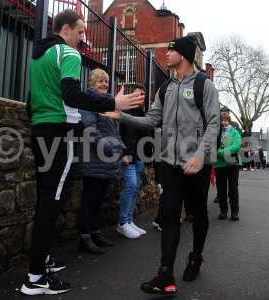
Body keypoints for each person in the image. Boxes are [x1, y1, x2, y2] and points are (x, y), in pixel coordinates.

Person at [21, 9, 144, 296]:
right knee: (52, 202)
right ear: (65, 30)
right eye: (80, 32)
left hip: (40, 130)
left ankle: (43, 260)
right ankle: (35, 277)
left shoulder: (38, 55)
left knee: (45, 199)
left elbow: (30, 102)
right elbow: (72, 95)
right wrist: (112, 101)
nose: (82, 38)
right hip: (60, 133)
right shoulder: (68, 54)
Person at [103, 36, 220, 296]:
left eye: (172, 50)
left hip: (196, 164)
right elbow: (152, 119)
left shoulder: (205, 86)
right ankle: (165, 274)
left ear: (185, 56)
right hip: (169, 163)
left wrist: (201, 155)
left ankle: (196, 256)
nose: (166, 54)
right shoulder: (165, 88)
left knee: (198, 213)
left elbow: (213, 124)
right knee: (168, 214)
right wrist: (120, 115)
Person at [78, 69, 123, 254]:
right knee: (89, 200)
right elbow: (90, 130)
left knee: (99, 200)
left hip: (107, 160)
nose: (104, 84)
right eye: (100, 82)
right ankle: (84, 237)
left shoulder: (108, 104)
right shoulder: (88, 103)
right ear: (91, 84)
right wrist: (110, 148)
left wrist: (120, 149)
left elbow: (115, 132)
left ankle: (95, 232)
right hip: (94, 158)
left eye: (106, 81)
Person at [117, 84, 149, 239]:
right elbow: (118, 133)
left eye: (142, 95)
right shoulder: (124, 112)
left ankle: (129, 220)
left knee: (136, 187)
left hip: (140, 156)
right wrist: (123, 152)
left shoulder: (143, 114)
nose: (139, 97)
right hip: (128, 155)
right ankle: (122, 223)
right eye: (136, 95)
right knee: (131, 185)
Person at [215, 111, 242, 221]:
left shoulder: (235, 132)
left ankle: (234, 212)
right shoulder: (216, 133)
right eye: (221, 120)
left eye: (226, 120)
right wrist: (221, 152)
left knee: (233, 189)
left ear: (229, 121)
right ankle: (223, 211)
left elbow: (237, 145)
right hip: (220, 164)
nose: (224, 122)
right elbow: (213, 146)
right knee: (221, 189)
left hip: (233, 164)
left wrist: (222, 152)